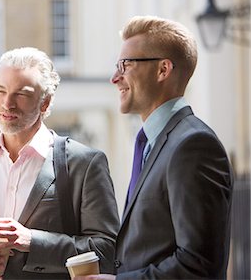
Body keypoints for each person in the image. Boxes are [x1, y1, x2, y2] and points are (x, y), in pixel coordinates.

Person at [75, 16, 234, 280]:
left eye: (125, 65)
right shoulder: (153, 143)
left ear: (163, 70)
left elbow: (198, 265)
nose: (115, 78)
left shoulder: (193, 146)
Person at [0, 47, 119, 279]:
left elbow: (107, 251)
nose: (7, 103)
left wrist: (32, 241)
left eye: (22, 94)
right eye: (0, 91)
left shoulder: (84, 164)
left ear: (45, 103)